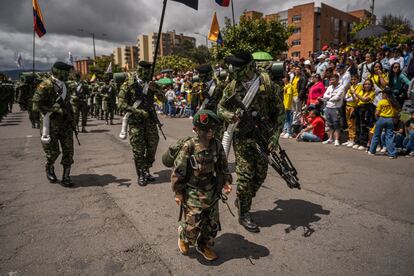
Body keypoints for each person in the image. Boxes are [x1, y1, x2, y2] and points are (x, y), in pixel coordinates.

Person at [218, 52, 285, 233]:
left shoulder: (267, 84)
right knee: (246, 177)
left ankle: (242, 199)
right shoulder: (232, 86)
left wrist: (275, 136)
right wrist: (229, 115)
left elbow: (280, 113)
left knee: (260, 175)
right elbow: (220, 107)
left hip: (262, 137)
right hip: (242, 138)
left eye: (238, 68)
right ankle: (245, 212)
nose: (234, 71)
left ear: (249, 67)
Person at [172, 109, 232, 261]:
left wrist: (226, 182)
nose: (210, 132)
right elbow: (178, 171)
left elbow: (223, 166)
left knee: (211, 224)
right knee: (193, 224)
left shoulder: (217, 145)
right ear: (195, 130)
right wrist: (178, 192)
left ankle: (204, 245)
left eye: (212, 129)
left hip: (211, 190)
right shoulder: (189, 146)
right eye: (205, 129)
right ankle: (184, 236)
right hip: (192, 190)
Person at [118, 61, 165, 186]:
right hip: (135, 122)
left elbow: (163, 99)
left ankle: (146, 167)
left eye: (149, 72)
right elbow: (120, 104)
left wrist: (156, 90)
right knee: (138, 150)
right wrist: (137, 111)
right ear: (139, 71)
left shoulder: (151, 84)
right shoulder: (128, 84)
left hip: (150, 121)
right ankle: (142, 174)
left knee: (152, 146)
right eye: (145, 71)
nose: (147, 74)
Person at [32, 62, 76, 187]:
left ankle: (66, 176)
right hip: (50, 124)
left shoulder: (65, 85)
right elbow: (36, 106)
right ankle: (49, 166)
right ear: (58, 71)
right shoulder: (45, 85)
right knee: (53, 152)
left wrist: (72, 120)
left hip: (65, 124)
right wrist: (55, 110)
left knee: (69, 151)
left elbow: (67, 104)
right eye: (66, 72)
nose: (68, 74)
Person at [368, 88, 401, 158]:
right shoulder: (393, 102)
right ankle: (392, 153)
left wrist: (377, 118)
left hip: (381, 119)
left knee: (376, 135)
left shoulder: (381, 102)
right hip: (390, 120)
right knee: (389, 137)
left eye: (382, 94)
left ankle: (372, 151)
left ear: (385, 94)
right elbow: (396, 113)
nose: (382, 95)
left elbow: (377, 113)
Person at [322, 74, 346, 146]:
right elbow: (324, 95)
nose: (331, 81)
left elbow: (337, 97)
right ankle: (330, 139)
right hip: (328, 107)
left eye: (333, 79)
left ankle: (336, 140)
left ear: (337, 79)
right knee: (330, 124)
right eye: (330, 79)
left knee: (336, 124)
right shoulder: (329, 87)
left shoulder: (341, 87)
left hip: (336, 108)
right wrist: (330, 97)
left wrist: (329, 98)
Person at [352, 79, 376, 150]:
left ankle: (363, 143)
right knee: (358, 125)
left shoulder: (372, 92)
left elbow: (365, 99)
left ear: (371, 85)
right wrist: (353, 94)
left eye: (369, 84)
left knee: (364, 126)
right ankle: (357, 141)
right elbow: (356, 100)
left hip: (367, 110)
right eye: (365, 84)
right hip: (359, 109)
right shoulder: (361, 91)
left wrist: (355, 93)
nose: (367, 86)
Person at [343, 75, 362, 148]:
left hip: (353, 107)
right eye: (352, 79)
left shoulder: (359, 87)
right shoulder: (351, 87)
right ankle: (350, 138)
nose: (353, 81)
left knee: (353, 124)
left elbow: (355, 98)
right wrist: (349, 96)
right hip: (347, 106)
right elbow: (346, 97)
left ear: (358, 79)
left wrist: (350, 96)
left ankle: (353, 139)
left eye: (355, 79)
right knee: (349, 123)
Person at [281, 74, 294, 138]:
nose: (283, 79)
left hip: (287, 106)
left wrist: (287, 106)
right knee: (285, 119)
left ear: (287, 78)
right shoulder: (285, 86)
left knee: (288, 119)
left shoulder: (289, 86)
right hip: (284, 105)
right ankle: (285, 130)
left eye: (284, 78)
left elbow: (289, 97)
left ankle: (289, 132)